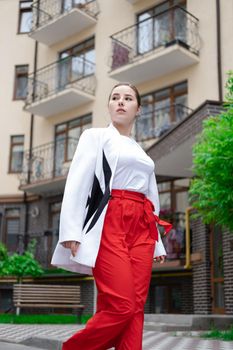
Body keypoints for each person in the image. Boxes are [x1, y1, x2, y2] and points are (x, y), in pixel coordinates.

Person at [51, 83, 172, 350]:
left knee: (136, 307)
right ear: (108, 105)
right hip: (109, 220)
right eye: (115, 97)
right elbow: (77, 183)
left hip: (142, 227)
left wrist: (157, 242)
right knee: (122, 306)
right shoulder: (95, 137)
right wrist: (71, 230)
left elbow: (151, 198)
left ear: (137, 109)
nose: (120, 102)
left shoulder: (141, 151)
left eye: (128, 98)